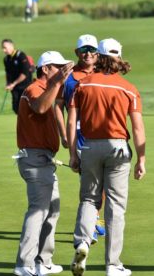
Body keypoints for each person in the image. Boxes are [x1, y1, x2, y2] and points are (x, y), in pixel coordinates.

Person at [68, 38, 146, 276]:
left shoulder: (82, 84)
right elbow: (138, 128)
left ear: (99, 57)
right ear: (118, 58)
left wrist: (73, 153)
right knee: (116, 206)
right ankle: (113, 265)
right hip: (118, 148)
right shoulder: (128, 88)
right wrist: (141, 159)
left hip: (90, 147)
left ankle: (82, 241)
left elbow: (72, 121)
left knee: (90, 199)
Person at [13, 51, 74, 276]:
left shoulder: (50, 88)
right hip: (35, 159)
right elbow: (40, 107)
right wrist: (57, 82)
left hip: (45, 159)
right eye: (57, 67)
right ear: (45, 69)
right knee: (38, 210)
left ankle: (43, 261)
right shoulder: (33, 89)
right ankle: (24, 264)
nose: (61, 70)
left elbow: (54, 107)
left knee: (53, 210)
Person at [54, 34, 105, 244]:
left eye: (92, 50)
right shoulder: (69, 77)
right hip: (80, 135)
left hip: (102, 133)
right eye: (84, 50)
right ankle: (88, 225)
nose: (88, 54)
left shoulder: (103, 74)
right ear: (77, 53)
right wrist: (63, 133)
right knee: (89, 182)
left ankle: (94, 218)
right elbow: (57, 105)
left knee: (101, 182)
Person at [2, 39, 33, 114]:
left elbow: (24, 74)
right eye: (3, 48)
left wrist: (13, 84)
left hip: (25, 87)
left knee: (25, 107)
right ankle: (22, 124)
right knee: (15, 107)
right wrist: (8, 83)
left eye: (5, 47)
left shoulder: (21, 55)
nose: (4, 50)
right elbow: (8, 72)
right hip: (15, 88)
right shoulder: (6, 59)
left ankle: (28, 124)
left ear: (11, 46)